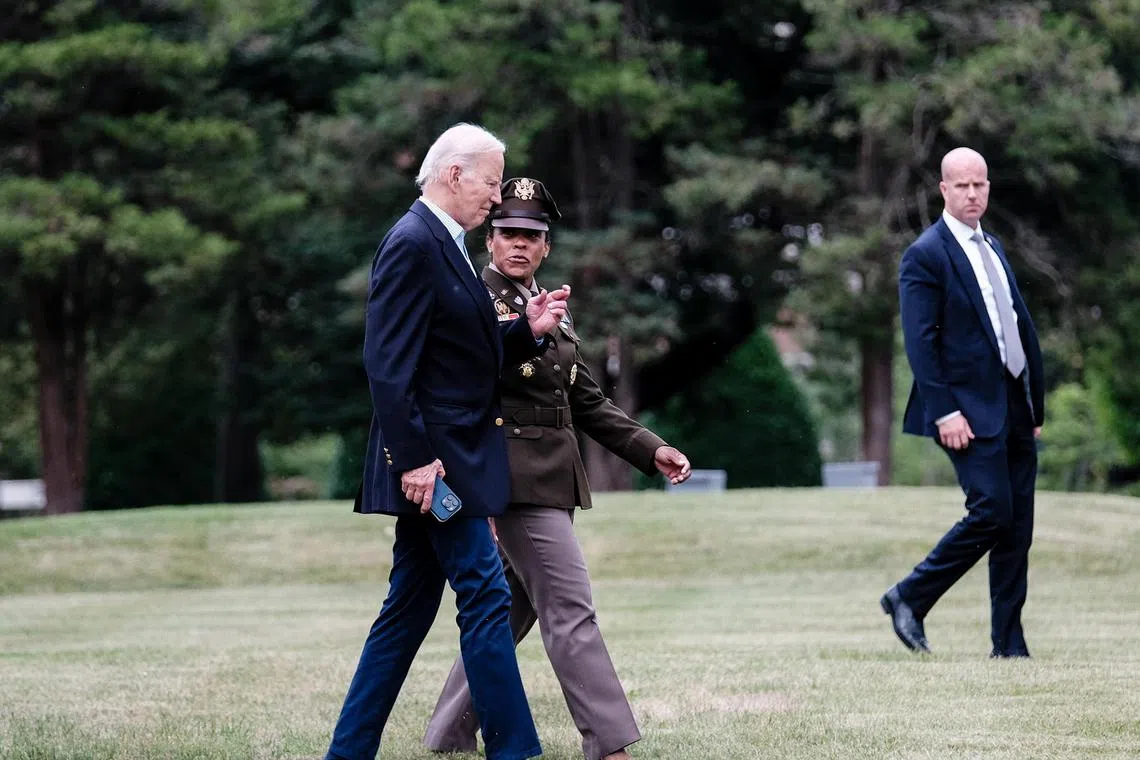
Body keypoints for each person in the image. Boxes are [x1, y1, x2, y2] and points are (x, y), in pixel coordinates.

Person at [423, 177, 692, 760]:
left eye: (531, 236)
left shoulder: (549, 308)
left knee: (507, 611)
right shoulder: (474, 301)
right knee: (571, 610)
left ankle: (447, 735)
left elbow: (585, 399)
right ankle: (610, 744)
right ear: (489, 240)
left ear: (546, 246)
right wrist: (472, 492)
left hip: (551, 479)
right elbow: (461, 390)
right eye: (508, 234)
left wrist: (651, 449)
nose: (518, 245)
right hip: (509, 484)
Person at [325, 125, 572, 760]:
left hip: (447, 459)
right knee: (486, 594)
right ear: (454, 175)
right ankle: (517, 751)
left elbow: (456, 352)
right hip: (436, 466)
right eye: (492, 182)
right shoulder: (413, 242)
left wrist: (527, 333)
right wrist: (413, 461)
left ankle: (347, 752)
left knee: (406, 611)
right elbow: (388, 365)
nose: (497, 198)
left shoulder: (447, 242)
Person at [883, 147, 1045, 658]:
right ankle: (910, 594)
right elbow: (920, 344)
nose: (973, 193)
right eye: (963, 185)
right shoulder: (926, 254)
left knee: (1018, 526)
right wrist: (945, 411)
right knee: (992, 512)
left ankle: (1009, 644)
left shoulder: (991, 245)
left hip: (1014, 404)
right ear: (944, 190)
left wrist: (1034, 406)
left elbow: (1015, 326)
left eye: (980, 184)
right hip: (965, 411)